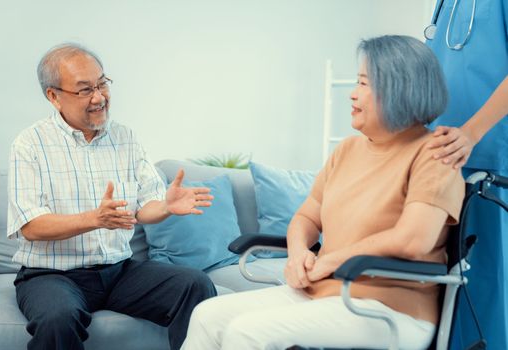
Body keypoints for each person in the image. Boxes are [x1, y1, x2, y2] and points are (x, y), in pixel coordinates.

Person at [180, 35, 464, 350]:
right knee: (207, 315)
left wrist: (332, 261)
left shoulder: (435, 154)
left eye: (363, 84)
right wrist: (299, 253)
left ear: (399, 88)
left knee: (247, 332)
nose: (352, 95)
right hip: (322, 294)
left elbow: (414, 240)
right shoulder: (348, 150)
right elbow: (306, 215)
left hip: (391, 309)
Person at [7, 43, 217, 350]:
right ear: (54, 96)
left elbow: (146, 207)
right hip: (51, 275)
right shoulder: (29, 144)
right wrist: (94, 219)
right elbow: (30, 226)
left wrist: (167, 207)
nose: (99, 97)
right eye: (84, 90)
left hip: (119, 272)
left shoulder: (125, 137)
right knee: (58, 317)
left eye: (102, 83)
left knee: (195, 285)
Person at [425, 0, 508, 348]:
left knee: (487, 291)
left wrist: (472, 133)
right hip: (440, 160)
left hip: (489, 161)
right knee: (439, 291)